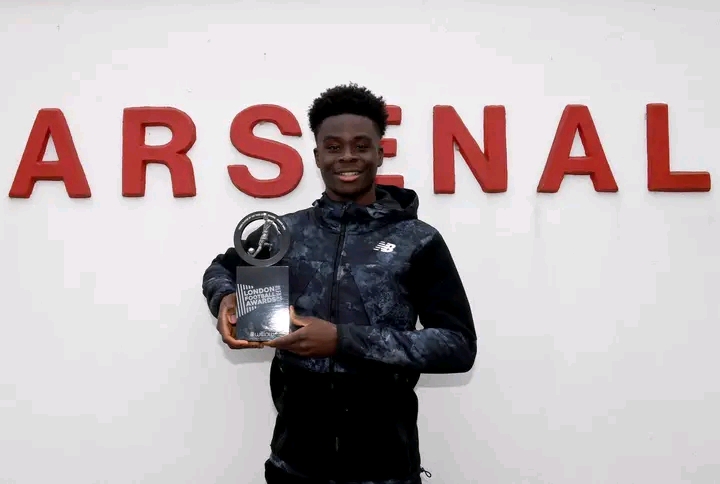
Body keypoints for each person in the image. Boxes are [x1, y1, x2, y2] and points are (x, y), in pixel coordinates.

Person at [202, 84, 477, 484]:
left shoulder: (418, 241)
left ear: (380, 153)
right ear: (317, 156)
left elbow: (458, 346)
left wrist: (341, 340)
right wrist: (226, 299)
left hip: (386, 470)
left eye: (360, 146)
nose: (347, 156)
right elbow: (221, 269)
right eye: (333, 147)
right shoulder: (285, 232)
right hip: (293, 466)